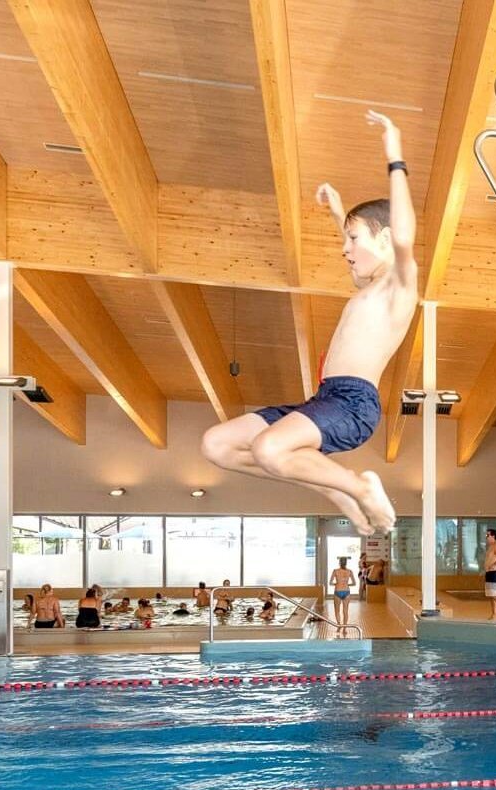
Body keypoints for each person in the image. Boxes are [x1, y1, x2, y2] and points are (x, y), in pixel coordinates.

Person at [199, 110, 417, 537]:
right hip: (324, 399)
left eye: (354, 239)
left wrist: (395, 157)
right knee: (217, 445)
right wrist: (340, 215)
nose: (345, 249)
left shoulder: (399, 287)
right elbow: (366, 251)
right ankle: (335, 490)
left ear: (385, 239)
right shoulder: (366, 286)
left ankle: (357, 487)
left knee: (269, 447)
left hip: (354, 405)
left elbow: (403, 235)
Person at [330, 556, 356, 629]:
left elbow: (330, 583)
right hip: (346, 591)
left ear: (339, 563)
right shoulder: (349, 571)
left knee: (337, 610)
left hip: (337, 591)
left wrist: (336, 583)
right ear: (346, 563)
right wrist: (347, 584)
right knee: (345, 610)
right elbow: (354, 583)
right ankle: (345, 626)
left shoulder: (335, 571)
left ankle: (339, 625)